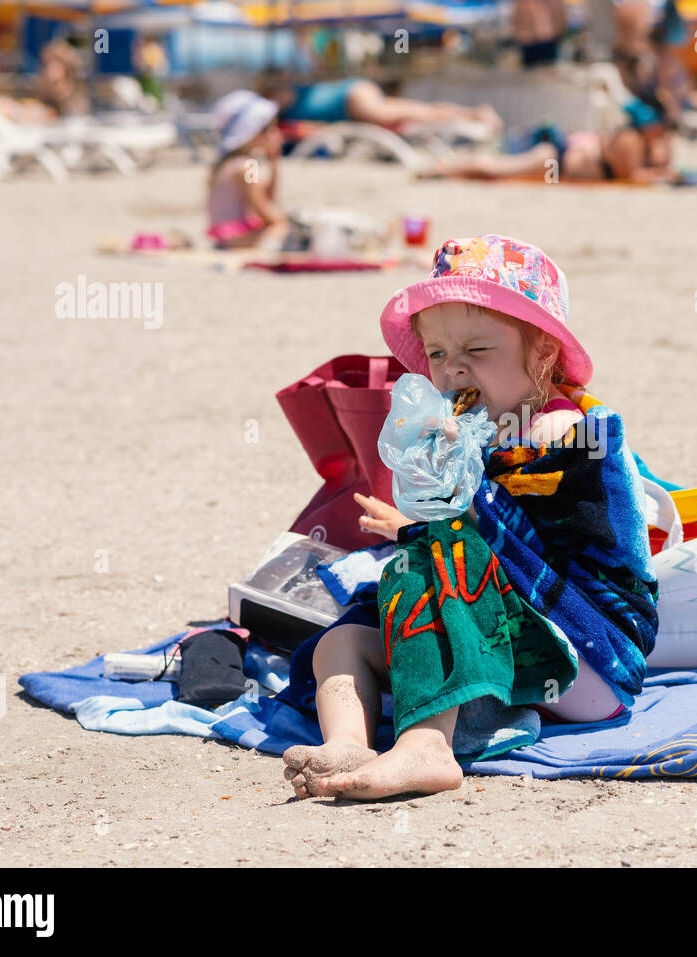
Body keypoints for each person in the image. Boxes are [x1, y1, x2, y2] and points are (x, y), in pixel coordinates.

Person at [282, 234, 660, 800]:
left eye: (477, 351)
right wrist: (412, 517)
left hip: (586, 654)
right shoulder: (480, 429)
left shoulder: (564, 431)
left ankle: (425, 747)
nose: (453, 370)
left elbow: (500, 535)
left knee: (449, 558)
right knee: (348, 640)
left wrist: (451, 492)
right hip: (499, 642)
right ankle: (347, 742)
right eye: (437, 354)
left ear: (542, 356)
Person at [417, 123, 669, 182]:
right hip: (555, 159)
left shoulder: (631, 138)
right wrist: (659, 173)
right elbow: (629, 174)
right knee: (496, 169)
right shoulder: (631, 141)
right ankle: (443, 169)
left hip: (557, 158)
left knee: (497, 168)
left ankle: (446, 168)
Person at [267, 75, 502, 137]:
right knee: (416, 110)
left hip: (351, 100)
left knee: (415, 112)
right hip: (352, 95)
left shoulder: (278, 99)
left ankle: (474, 114)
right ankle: (472, 113)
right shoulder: (290, 96)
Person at [205, 91, 291, 249]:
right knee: (284, 228)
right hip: (235, 239)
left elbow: (265, 198)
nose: (277, 134)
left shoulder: (231, 163)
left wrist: (274, 163)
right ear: (256, 131)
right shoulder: (248, 166)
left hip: (224, 238)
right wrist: (283, 221)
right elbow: (264, 209)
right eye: (271, 129)